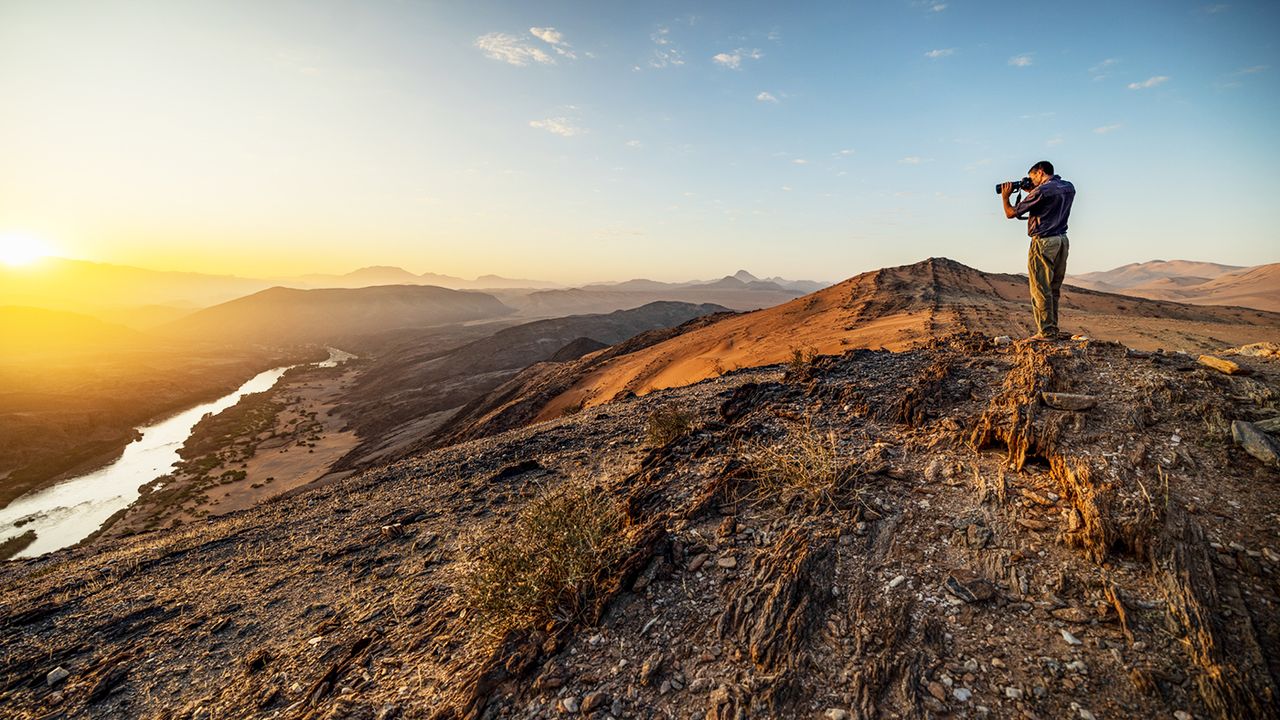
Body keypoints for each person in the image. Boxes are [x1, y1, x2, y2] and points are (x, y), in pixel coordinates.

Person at [1001, 160, 1075, 340]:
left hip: (1043, 242)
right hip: (1062, 240)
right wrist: (1032, 191)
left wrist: (1005, 196)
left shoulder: (1041, 191)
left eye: (1032, 177)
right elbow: (1049, 201)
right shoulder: (1068, 186)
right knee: (1053, 288)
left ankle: (1046, 332)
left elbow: (1011, 213)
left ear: (1040, 172)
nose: (1030, 181)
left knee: (1040, 288)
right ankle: (1052, 328)